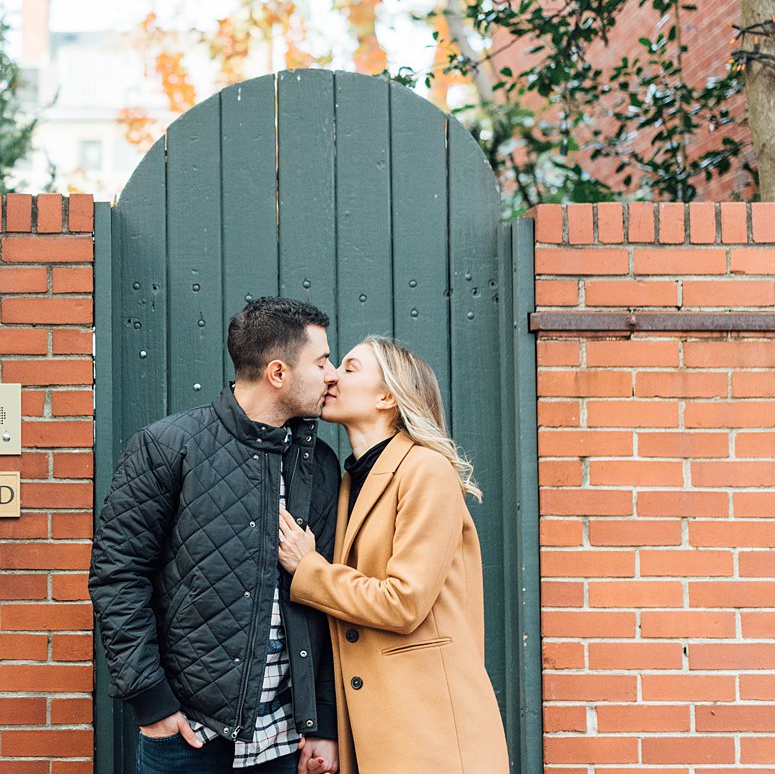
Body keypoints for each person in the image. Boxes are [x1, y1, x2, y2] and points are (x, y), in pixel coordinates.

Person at [90, 296, 343, 774]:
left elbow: (325, 606)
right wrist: (153, 704)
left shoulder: (320, 465)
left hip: (284, 740)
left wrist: (323, 724)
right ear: (277, 373)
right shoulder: (166, 446)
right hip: (189, 736)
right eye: (322, 361)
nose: (332, 374)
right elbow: (117, 576)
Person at [276, 335, 509, 774]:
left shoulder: (426, 470)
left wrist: (308, 569)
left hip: (432, 737)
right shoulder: (350, 483)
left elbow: (404, 602)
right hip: (378, 737)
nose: (332, 376)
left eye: (350, 367)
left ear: (387, 396)